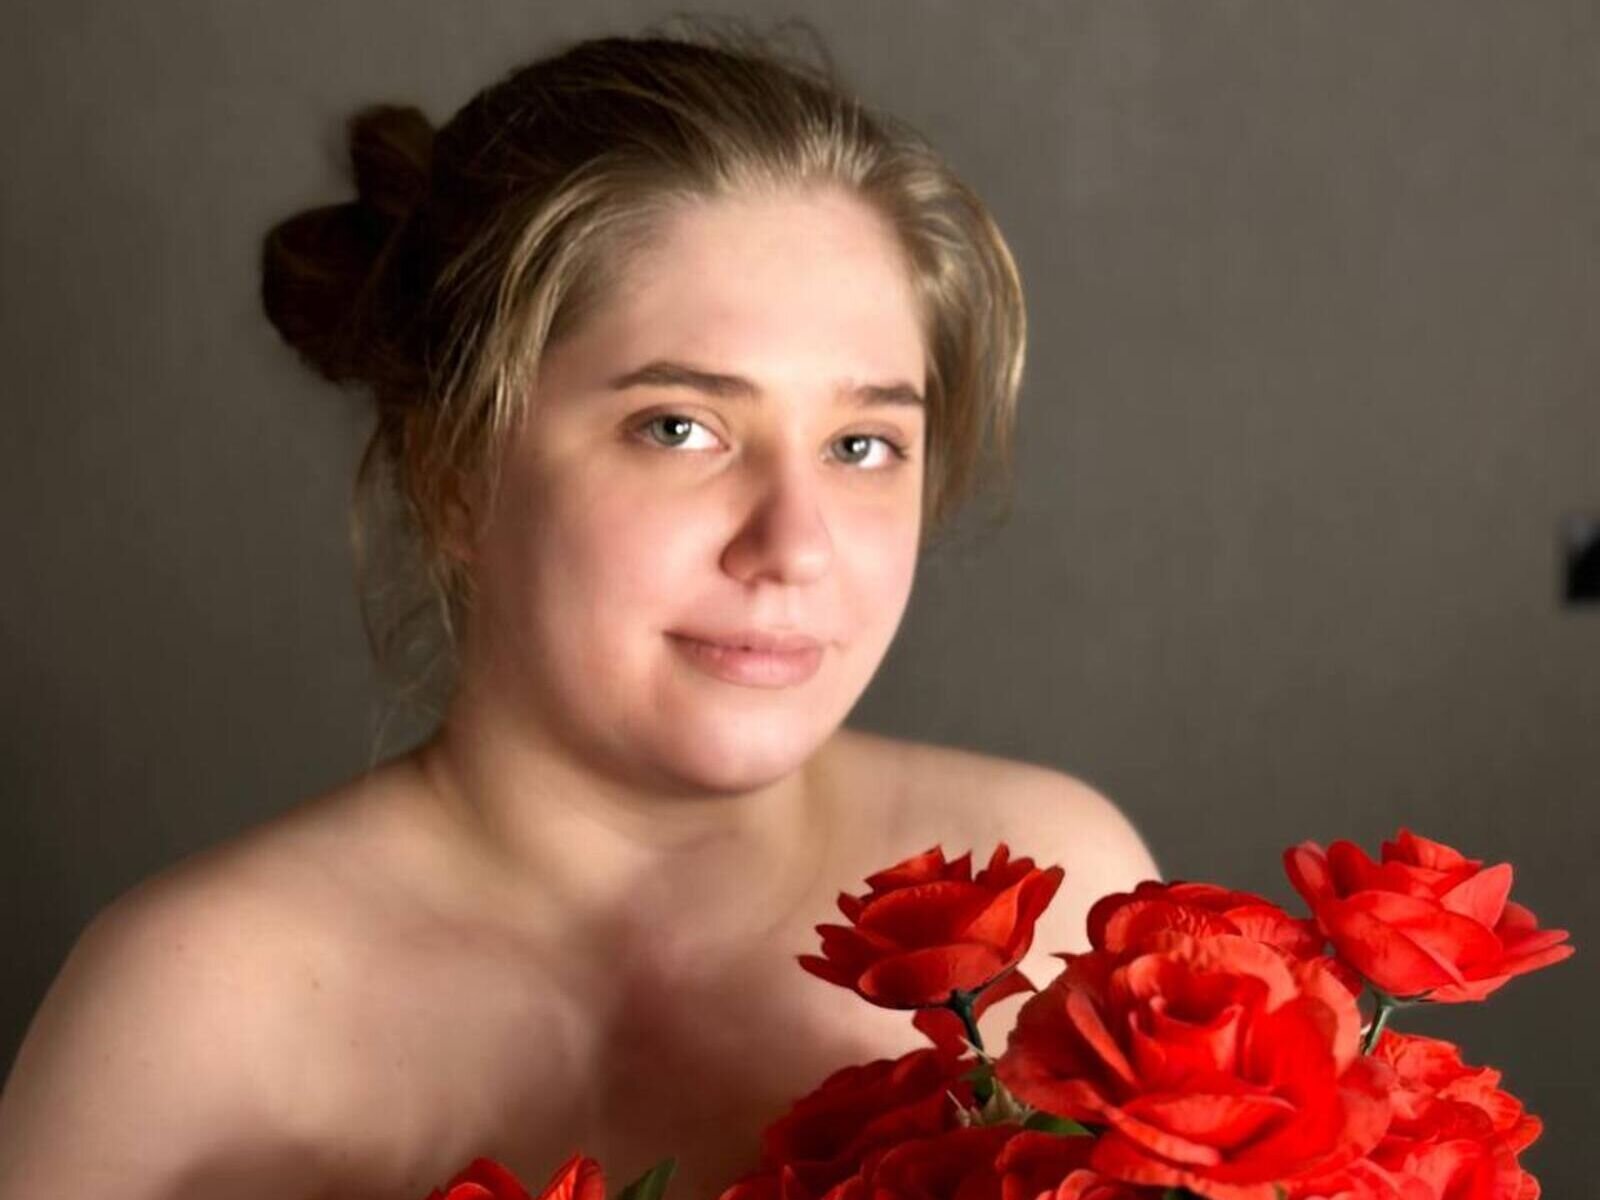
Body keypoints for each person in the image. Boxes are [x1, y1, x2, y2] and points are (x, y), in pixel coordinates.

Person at [0, 22, 1160, 1200]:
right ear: (455, 472)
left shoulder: (1064, 904)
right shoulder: (192, 1019)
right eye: (678, 428)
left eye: (862, 444)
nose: (794, 546)